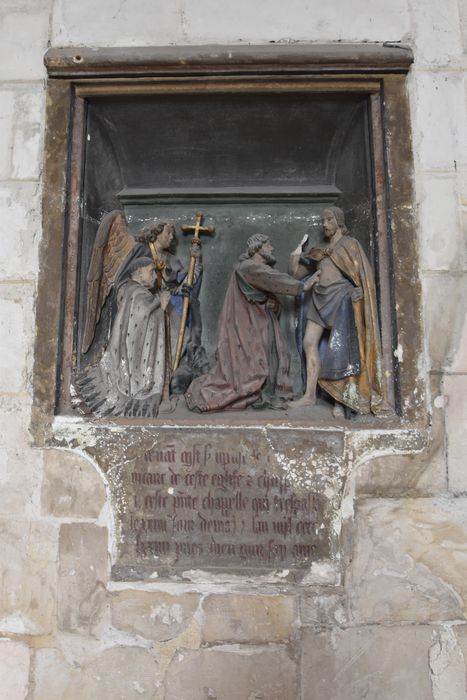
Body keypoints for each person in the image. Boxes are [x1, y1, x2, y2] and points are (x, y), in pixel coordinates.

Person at [185, 234, 317, 412]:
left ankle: (268, 394)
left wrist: (271, 304)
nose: (271, 248)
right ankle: (260, 394)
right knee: (258, 362)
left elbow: (262, 294)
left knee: (273, 356)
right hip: (249, 324)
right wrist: (303, 286)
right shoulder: (249, 267)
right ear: (258, 247)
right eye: (268, 244)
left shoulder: (253, 267)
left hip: (260, 320)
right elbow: (273, 279)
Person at [289, 206, 389, 416]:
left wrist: (358, 290)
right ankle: (309, 395)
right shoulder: (320, 250)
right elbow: (297, 273)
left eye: (328, 220)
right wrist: (296, 254)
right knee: (309, 343)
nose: (324, 224)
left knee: (341, 350)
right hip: (319, 299)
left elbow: (362, 274)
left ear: (338, 222)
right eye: (322, 221)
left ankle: (341, 400)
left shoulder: (350, 245)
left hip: (341, 300)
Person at [77, 257, 170, 417]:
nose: (156, 276)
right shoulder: (137, 293)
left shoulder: (129, 290)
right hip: (133, 353)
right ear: (140, 273)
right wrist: (161, 305)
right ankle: (137, 392)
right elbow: (142, 315)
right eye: (152, 271)